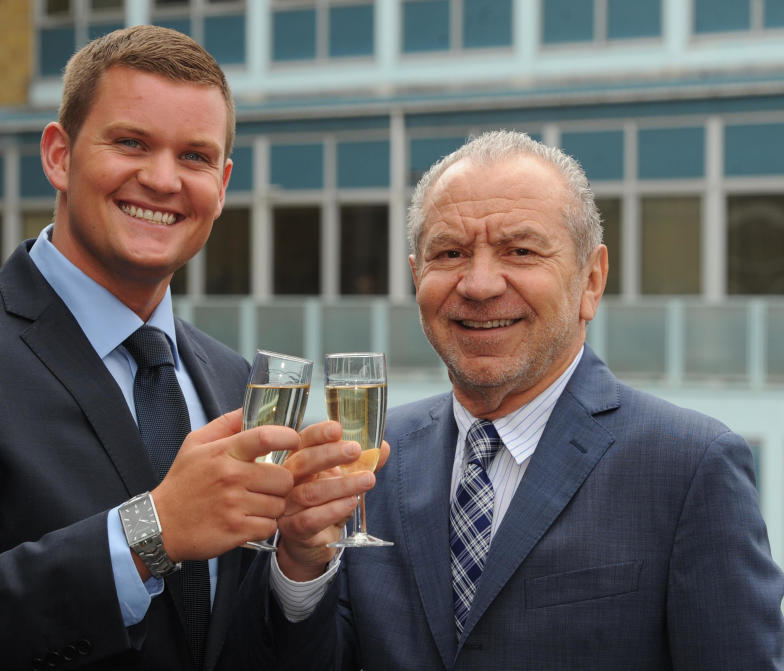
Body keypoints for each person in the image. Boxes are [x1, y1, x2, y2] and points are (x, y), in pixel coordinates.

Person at [0, 25, 372, 671]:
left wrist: (298, 567)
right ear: (59, 154)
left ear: (222, 184)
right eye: (131, 142)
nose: (164, 179)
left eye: (195, 157)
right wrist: (149, 533)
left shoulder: (235, 382)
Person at [247, 129, 784, 670]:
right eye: (450, 253)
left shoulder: (690, 467)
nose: (478, 284)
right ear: (417, 277)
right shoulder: (372, 462)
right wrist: (301, 567)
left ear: (591, 280)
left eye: (520, 251)